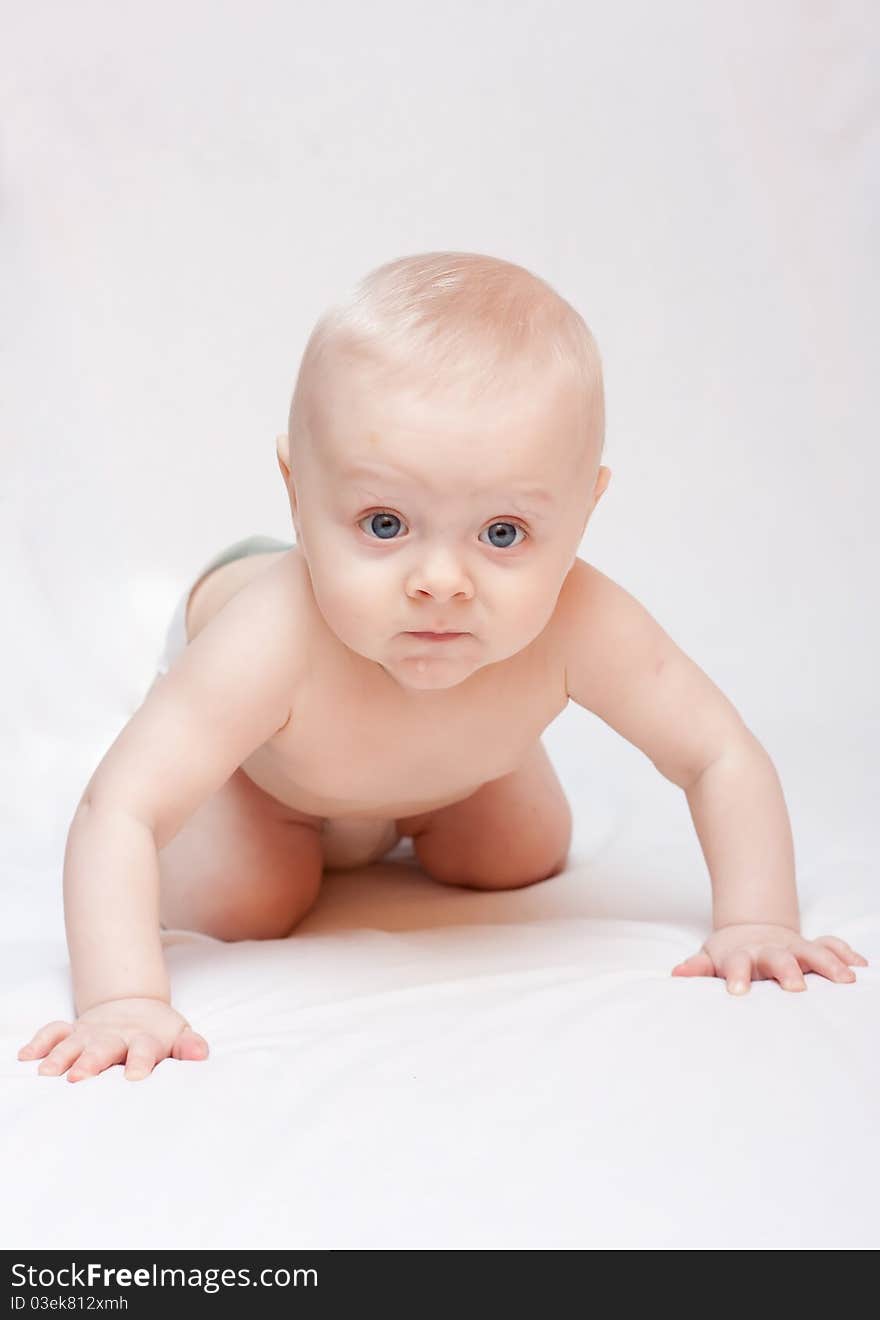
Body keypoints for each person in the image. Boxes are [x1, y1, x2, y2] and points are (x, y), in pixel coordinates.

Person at [17, 251, 867, 1084]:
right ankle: (303, 798)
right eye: (385, 523)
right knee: (248, 904)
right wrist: (122, 998)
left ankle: (431, 779)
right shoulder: (267, 636)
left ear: (584, 511)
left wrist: (758, 918)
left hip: (439, 739)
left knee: (521, 854)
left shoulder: (580, 617)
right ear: (296, 491)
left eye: (502, 534)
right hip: (264, 758)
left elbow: (716, 751)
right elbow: (119, 807)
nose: (440, 583)